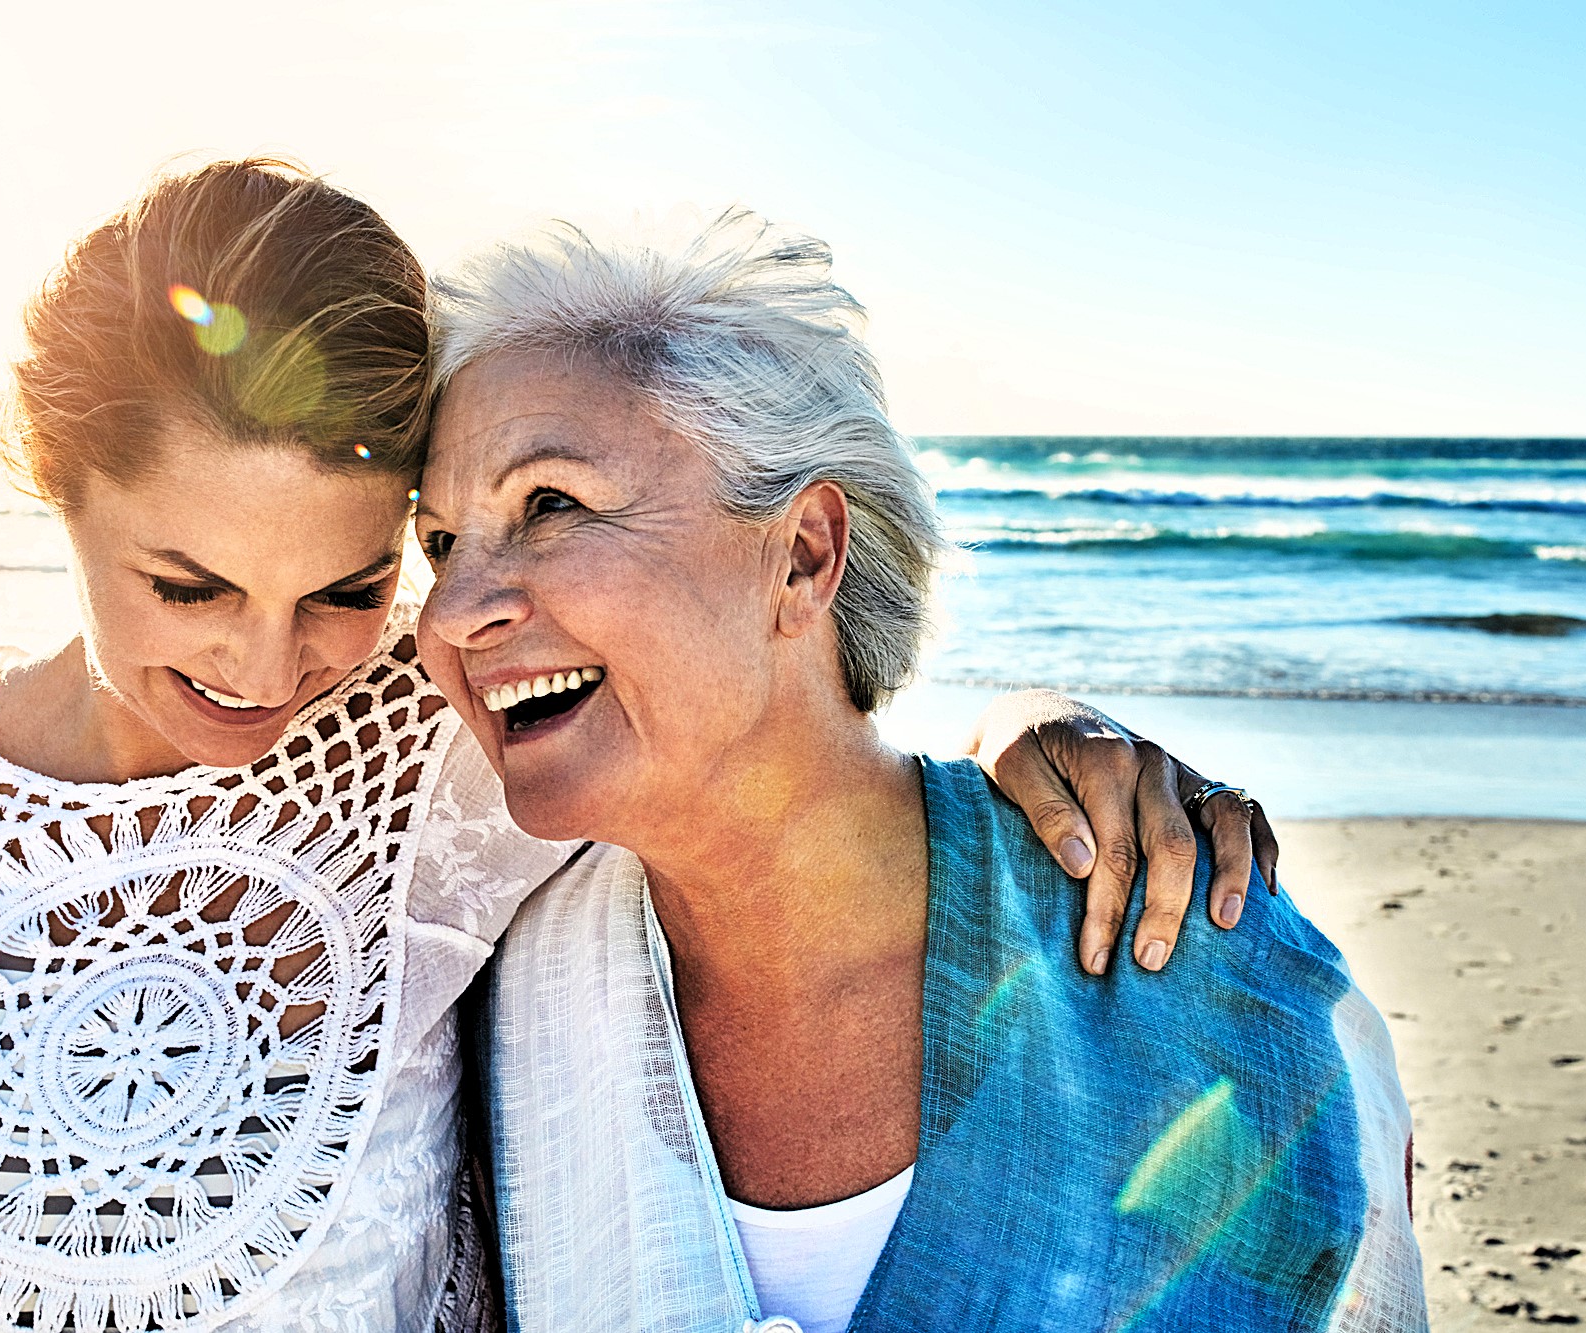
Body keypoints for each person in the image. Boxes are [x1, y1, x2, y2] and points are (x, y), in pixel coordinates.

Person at [0, 159, 1277, 1333]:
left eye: (354, 588)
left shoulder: (447, 757)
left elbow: (757, 725)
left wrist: (1039, 733)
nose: (264, 664)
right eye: (189, 586)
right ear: (53, 485)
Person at [413, 212, 1427, 1332]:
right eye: (439, 543)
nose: (456, 611)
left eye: (549, 504)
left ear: (801, 556)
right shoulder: (471, 981)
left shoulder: (1207, 979)